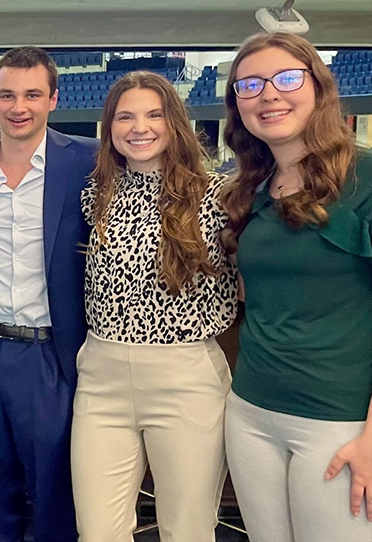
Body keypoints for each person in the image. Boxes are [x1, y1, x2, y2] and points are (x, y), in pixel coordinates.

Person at [71, 71, 238, 541]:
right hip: (101, 377)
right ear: (110, 127)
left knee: (186, 530)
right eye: (125, 116)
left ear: (174, 123)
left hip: (185, 377)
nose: (138, 127)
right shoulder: (96, 195)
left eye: (153, 114)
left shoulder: (216, 196)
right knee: (98, 532)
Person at [0, 46, 97, 542]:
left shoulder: (87, 161)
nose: (18, 106)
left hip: (50, 353)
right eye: (7, 95)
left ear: (54, 98)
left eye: (32, 94)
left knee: (56, 495)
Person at [220, 32, 372, 542]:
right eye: (250, 84)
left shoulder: (365, 177)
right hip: (251, 412)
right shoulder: (252, 188)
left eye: (286, 78)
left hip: (337, 421)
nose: (269, 94)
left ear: (318, 87)